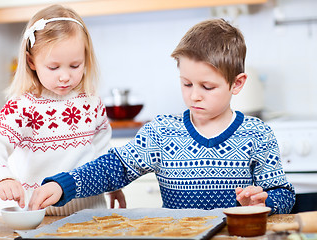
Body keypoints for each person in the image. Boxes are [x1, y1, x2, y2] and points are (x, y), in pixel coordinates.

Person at [28, 19, 295, 214]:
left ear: (236, 84)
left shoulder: (257, 134)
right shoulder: (162, 132)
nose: (194, 96)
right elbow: (114, 167)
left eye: (207, 87)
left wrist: (264, 203)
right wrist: (65, 185)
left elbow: (283, 194)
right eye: (187, 84)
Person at [0, 4, 126, 216]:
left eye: (75, 65)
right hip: (42, 215)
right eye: (54, 67)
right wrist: (2, 177)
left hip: (93, 212)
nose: (65, 76)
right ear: (31, 62)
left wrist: (113, 186)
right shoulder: (23, 106)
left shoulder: (92, 101)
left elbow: (102, 151)